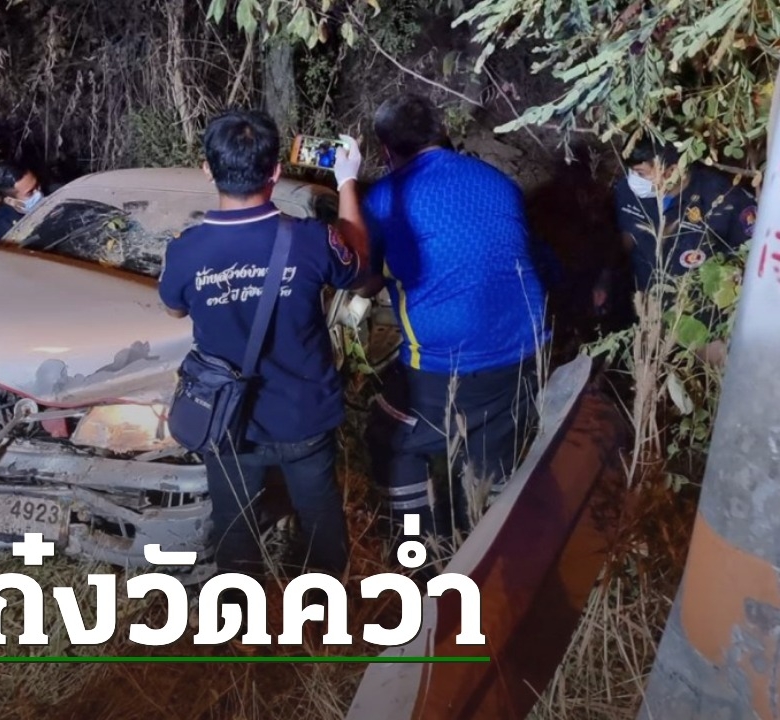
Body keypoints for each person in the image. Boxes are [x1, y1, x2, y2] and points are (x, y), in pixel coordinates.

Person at [158, 108, 372, 581]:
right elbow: (358, 266)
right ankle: (324, 608)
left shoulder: (186, 251)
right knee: (320, 518)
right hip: (304, 414)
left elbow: (174, 310)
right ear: (275, 172)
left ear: (208, 170)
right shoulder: (313, 240)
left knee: (234, 527)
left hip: (227, 420)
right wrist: (346, 181)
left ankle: (239, 615)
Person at [359, 93, 549, 548]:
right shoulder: (498, 181)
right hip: (526, 351)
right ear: (441, 132)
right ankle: (492, 542)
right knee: (490, 451)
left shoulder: (385, 198)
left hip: (444, 366)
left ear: (385, 149)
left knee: (393, 439)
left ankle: (417, 545)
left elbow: (364, 283)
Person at [593, 136, 756, 331]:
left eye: (641, 173)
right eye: (632, 172)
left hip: (702, 318)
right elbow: (624, 239)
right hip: (649, 309)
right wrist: (605, 280)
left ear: (671, 171)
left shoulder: (723, 199)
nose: (634, 180)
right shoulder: (627, 193)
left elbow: (752, 260)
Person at [0, 158, 47, 241]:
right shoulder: (4, 225)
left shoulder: (53, 190)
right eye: (30, 192)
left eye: (37, 185)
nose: (38, 193)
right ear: (10, 201)